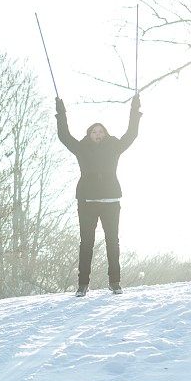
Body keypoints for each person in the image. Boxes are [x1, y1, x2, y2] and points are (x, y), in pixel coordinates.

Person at [55, 94, 142, 297]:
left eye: (101, 131)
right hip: (87, 201)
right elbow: (64, 136)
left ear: (105, 133)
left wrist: (135, 110)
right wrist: (61, 112)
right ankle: (83, 284)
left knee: (113, 241)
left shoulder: (114, 146)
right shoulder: (81, 148)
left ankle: (115, 282)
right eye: (94, 132)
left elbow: (131, 134)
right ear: (89, 134)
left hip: (111, 201)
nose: (98, 134)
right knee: (86, 242)